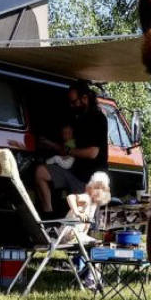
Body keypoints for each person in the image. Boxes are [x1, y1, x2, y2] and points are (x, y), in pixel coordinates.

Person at [33, 80, 108, 216]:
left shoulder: (99, 119)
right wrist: (52, 144)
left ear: (85, 98)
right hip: (73, 172)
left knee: (82, 218)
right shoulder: (76, 119)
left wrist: (68, 151)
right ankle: (48, 216)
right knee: (40, 173)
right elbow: (68, 149)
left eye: (74, 102)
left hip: (91, 178)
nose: (72, 105)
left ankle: (82, 231)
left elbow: (92, 153)